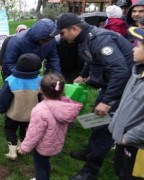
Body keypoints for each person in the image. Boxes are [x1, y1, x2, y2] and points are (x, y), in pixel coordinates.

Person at [50, 13, 135, 180]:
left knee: (104, 128)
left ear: (74, 29)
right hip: (108, 86)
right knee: (97, 120)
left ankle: (90, 170)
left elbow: (120, 72)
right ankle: (90, 152)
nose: (62, 37)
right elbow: (91, 58)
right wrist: (83, 75)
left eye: (62, 33)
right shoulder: (86, 39)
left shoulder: (101, 40)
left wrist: (107, 101)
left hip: (122, 89)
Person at [18, 73, 82, 180]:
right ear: (61, 90)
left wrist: (25, 147)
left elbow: (34, 133)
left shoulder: (40, 110)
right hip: (55, 142)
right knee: (45, 164)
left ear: (40, 89)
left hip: (42, 146)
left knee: (40, 167)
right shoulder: (66, 106)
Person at [109, 27, 144, 180]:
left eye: (139, 44)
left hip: (137, 147)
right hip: (124, 139)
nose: (134, 47)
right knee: (120, 171)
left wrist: (129, 138)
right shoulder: (137, 72)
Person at [0, 53, 42, 160]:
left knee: (10, 130)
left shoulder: (10, 80)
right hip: (31, 115)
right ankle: (21, 148)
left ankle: (12, 153)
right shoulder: (40, 81)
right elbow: (42, 99)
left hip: (13, 113)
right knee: (25, 130)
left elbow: (4, 98)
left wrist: (1, 109)